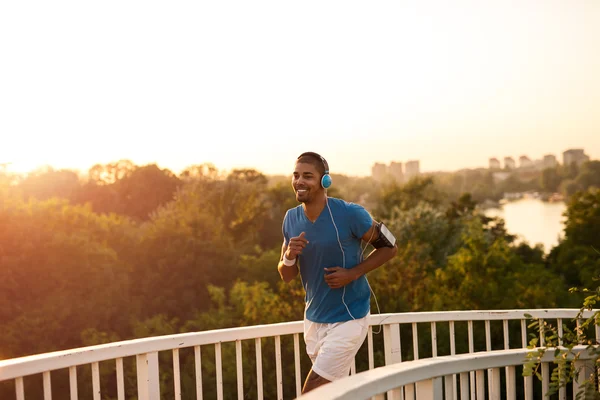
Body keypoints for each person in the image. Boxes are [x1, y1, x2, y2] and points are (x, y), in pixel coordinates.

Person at [278, 152, 398, 394]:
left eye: (308, 176)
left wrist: (353, 273)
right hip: (313, 319)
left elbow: (390, 247)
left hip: (349, 317)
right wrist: (290, 256)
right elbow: (286, 274)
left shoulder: (349, 214)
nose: (299, 181)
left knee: (313, 391)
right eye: (296, 175)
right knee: (334, 392)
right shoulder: (291, 218)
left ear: (325, 181)